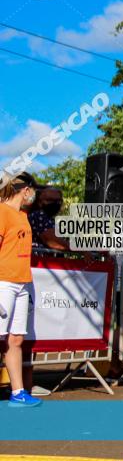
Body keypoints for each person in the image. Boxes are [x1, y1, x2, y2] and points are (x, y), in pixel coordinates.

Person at [0, 173, 42, 407]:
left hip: (22, 283)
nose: (33, 195)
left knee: (15, 339)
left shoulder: (23, 216)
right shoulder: (1, 212)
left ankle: (18, 392)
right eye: (32, 190)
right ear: (25, 190)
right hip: (3, 282)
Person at [27, 187, 69, 251]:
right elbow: (52, 241)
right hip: (40, 259)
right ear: (39, 202)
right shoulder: (38, 216)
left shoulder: (50, 218)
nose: (55, 203)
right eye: (50, 200)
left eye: (58, 201)